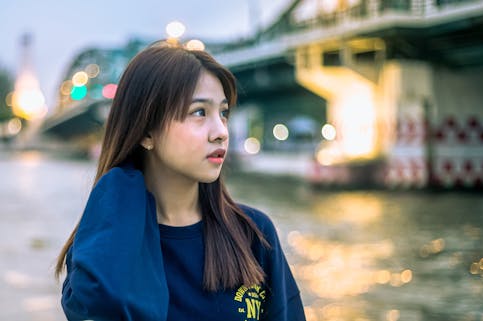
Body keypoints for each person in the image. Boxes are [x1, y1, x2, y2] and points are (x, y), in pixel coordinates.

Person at [54, 41, 306, 321]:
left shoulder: (254, 235)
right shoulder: (104, 248)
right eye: (199, 112)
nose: (221, 131)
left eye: (223, 113)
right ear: (145, 133)